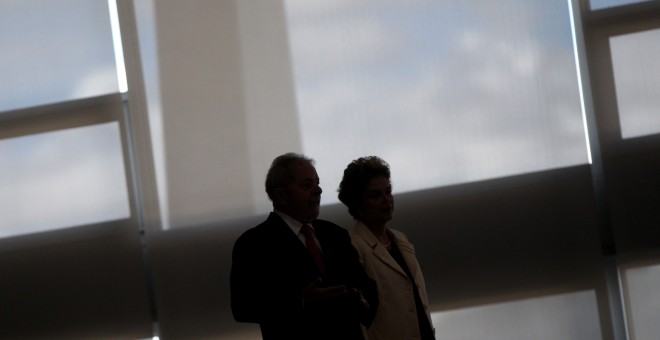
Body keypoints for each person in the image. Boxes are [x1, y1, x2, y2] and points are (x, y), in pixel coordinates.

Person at [230, 152, 378, 340]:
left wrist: (362, 302)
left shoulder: (335, 234)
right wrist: (301, 302)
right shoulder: (254, 243)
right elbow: (243, 308)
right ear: (281, 195)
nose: (318, 190)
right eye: (307, 185)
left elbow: (366, 286)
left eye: (317, 183)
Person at [338, 156, 435, 340]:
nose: (386, 200)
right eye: (375, 195)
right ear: (357, 204)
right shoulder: (353, 246)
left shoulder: (400, 239)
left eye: (388, 192)